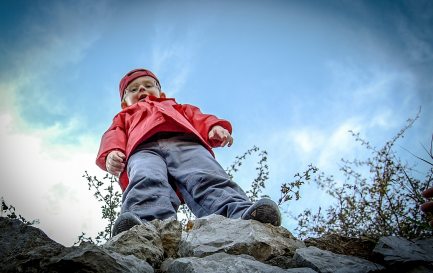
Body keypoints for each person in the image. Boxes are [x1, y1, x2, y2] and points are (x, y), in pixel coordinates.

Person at [96, 68, 281, 236]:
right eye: (134, 89)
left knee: (206, 176)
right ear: (123, 102)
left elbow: (198, 117)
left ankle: (239, 213)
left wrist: (213, 127)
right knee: (145, 178)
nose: (142, 90)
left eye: (148, 85)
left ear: (161, 93)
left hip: (185, 143)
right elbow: (114, 133)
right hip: (143, 149)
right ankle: (144, 226)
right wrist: (112, 151)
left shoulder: (177, 107)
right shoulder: (124, 116)